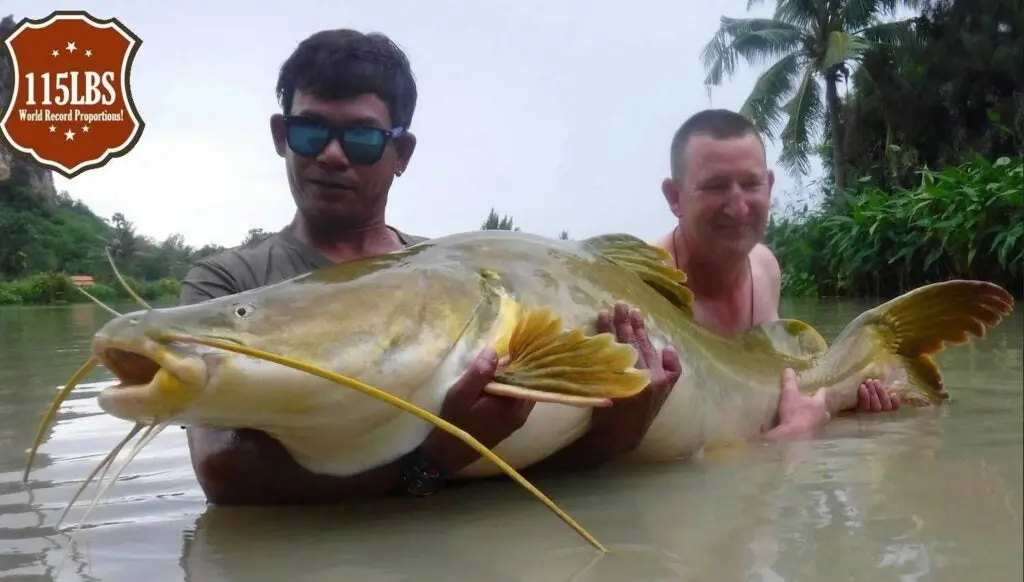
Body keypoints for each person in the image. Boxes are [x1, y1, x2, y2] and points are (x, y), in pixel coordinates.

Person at [653, 109, 901, 440]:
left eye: (751, 184)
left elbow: (774, 398)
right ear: (674, 197)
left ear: (769, 186)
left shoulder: (764, 267)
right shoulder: (649, 286)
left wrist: (853, 408)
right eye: (715, 187)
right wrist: (795, 436)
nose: (738, 207)